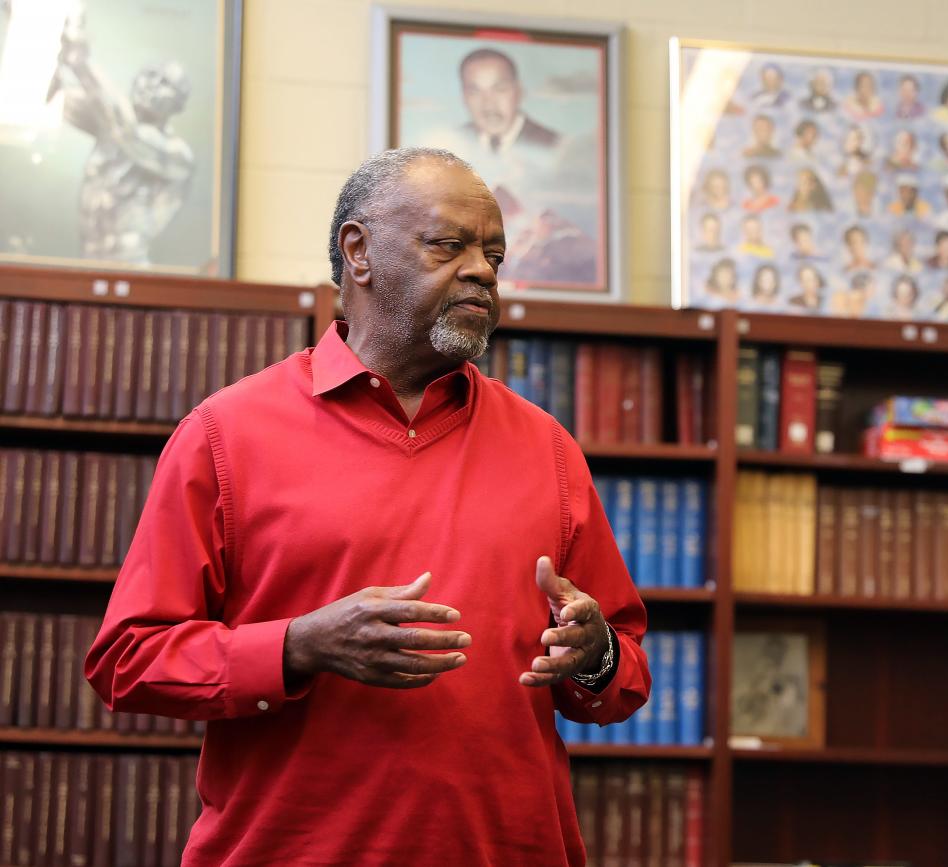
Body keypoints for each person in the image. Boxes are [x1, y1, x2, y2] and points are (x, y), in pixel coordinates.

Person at [84, 148, 651, 866]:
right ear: (358, 252)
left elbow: (621, 677)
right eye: (449, 245)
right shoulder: (226, 434)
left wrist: (594, 653)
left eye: (494, 256)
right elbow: (127, 661)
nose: (480, 269)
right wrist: (298, 646)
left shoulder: (548, 448)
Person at [49, 9, 194, 266]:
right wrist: (62, 47)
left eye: (164, 83)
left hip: (131, 267)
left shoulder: (177, 154)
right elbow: (60, 97)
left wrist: (82, 62)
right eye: (149, 75)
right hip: (85, 263)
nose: (151, 85)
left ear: (179, 104)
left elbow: (128, 132)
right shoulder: (108, 125)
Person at [458, 48, 559, 154]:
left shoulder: (556, 146)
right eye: (475, 92)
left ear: (519, 92)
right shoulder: (449, 145)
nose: (488, 104)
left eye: (500, 89)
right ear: (464, 97)